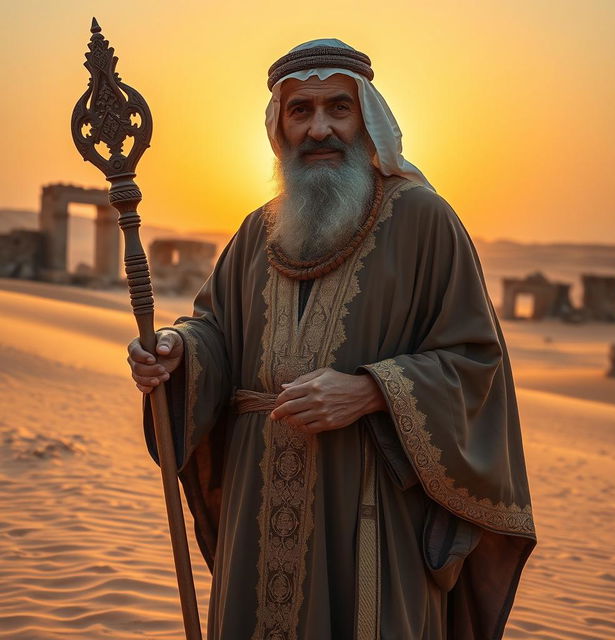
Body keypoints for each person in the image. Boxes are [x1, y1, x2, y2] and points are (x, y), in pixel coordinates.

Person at [128, 39, 536, 640]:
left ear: (366, 119)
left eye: (337, 108)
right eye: (301, 111)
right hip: (259, 503)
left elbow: (475, 363)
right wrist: (178, 352)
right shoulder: (256, 231)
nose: (320, 128)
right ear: (280, 127)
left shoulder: (424, 219)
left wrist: (372, 390)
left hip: (369, 510)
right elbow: (215, 331)